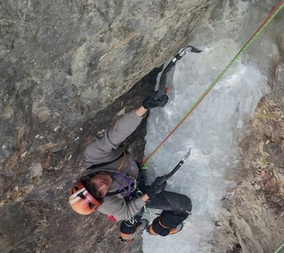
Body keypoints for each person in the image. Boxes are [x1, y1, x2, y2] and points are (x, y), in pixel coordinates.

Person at [69, 92, 192, 242]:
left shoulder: (94, 155)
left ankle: (128, 234)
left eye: (94, 185)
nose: (102, 185)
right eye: (100, 193)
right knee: (183, 206)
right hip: (135, 196)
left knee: (132, 218)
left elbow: (117, 133)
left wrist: (144, 107)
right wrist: (150, 194)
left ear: (88, 177)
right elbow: (127, 211)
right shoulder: (106, 205)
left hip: (134, 181)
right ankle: (157, 228)